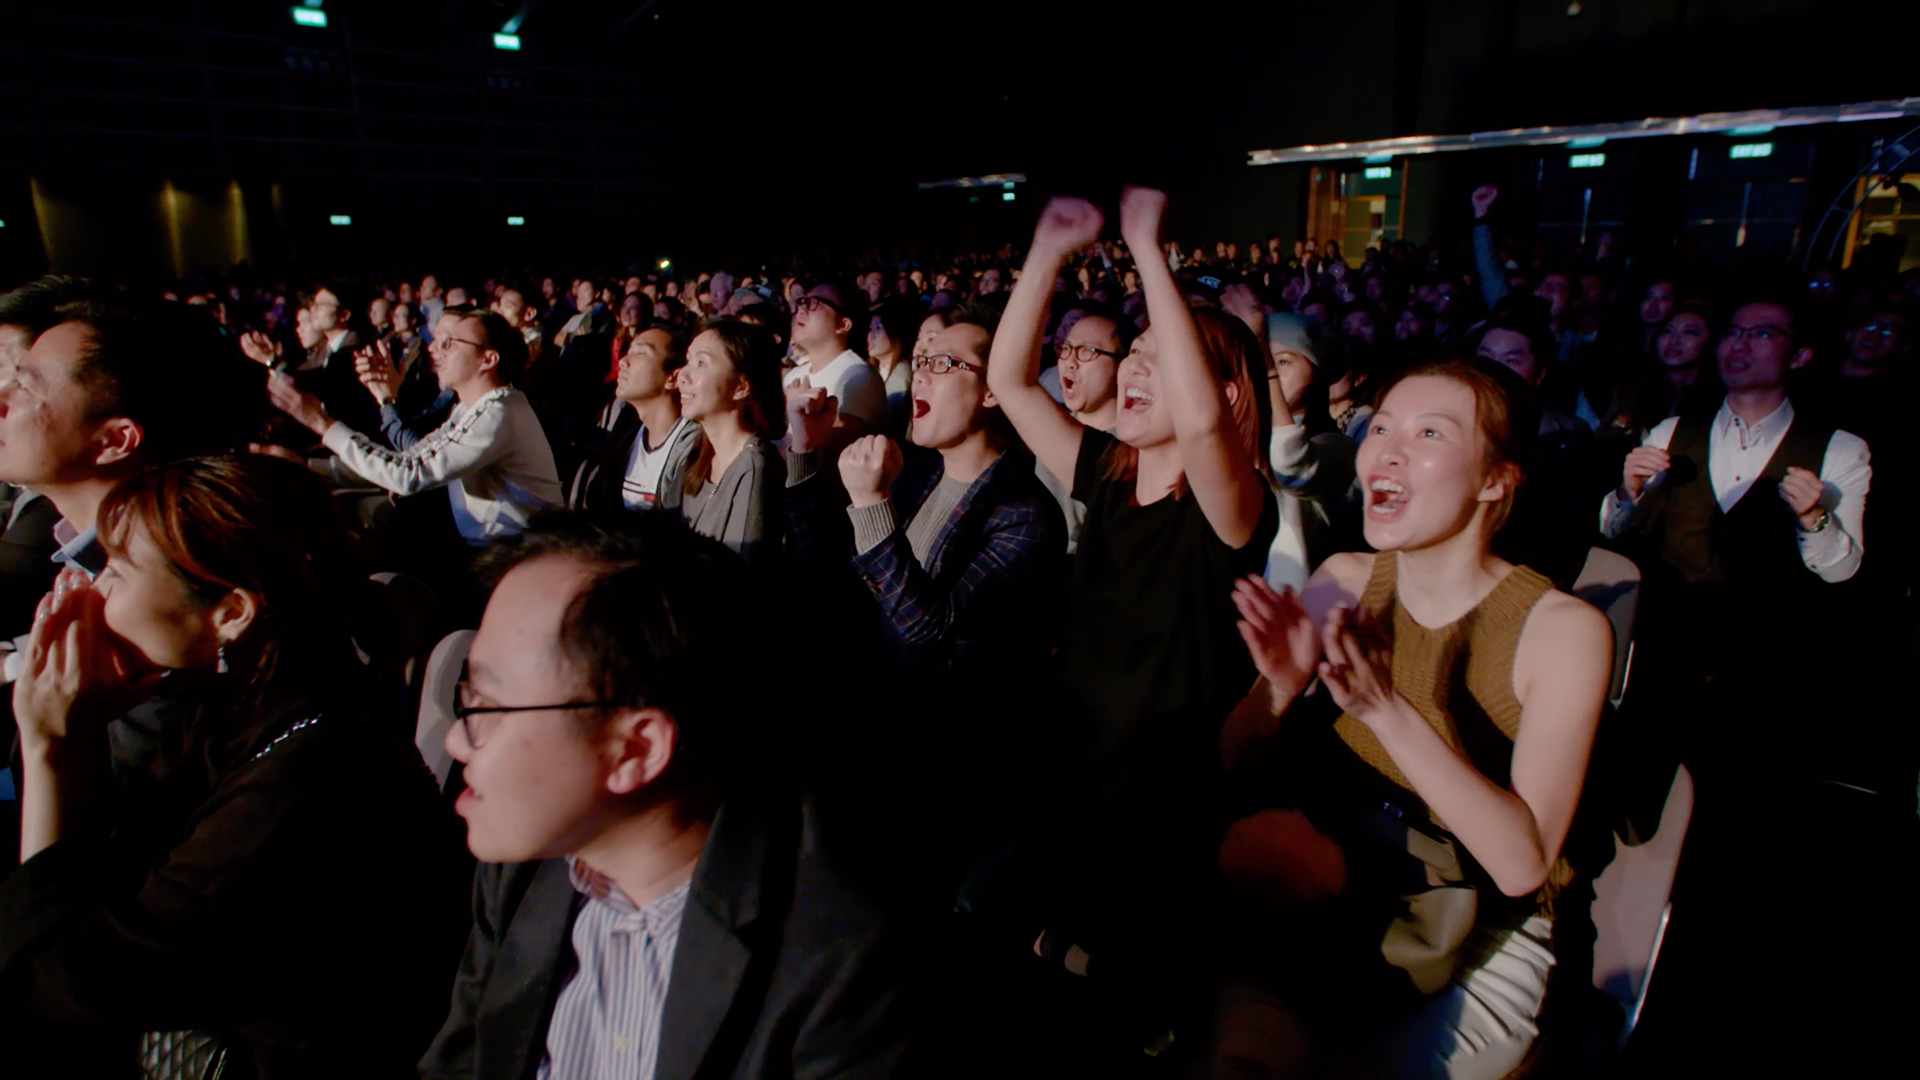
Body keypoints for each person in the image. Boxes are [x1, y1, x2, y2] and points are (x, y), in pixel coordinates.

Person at [0, 455, 467, 1078]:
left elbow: (64, 982)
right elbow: (99, 888)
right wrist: (73, 734)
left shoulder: (313, 779)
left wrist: (50, 745)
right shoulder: (247, 708)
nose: (92, 591)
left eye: (116, 569)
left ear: (231, 612)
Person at [1211, 356, 1612, 1079]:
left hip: (1469, 923)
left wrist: (1386, 711)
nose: (1388, 451)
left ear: (1497, 480)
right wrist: (1278, 687)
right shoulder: (1345, 577)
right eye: (1381, 427)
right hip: (1333, 878)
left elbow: (1521, 865)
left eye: (1430, 433)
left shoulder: (1562, 630)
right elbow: (1236, 756)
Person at [418, 513, 914, 1079]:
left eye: (487, 706)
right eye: (467, 699)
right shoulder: (522, 874)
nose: (455, 740)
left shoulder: (839, 956)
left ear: (635, 749)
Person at [983, 191, 1279, 1036]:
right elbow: (1009, 382)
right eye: (1135, 354)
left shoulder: (1231, 508)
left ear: (1226, 391)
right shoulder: (1106, 476)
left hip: (1160, 809)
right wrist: (1046, 254)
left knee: (1131, 1009)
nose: (1137, 370)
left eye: (1160, 357)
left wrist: (1151, 253)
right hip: (1077, 774)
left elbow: (1203, 425)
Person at [1600, 298, 1870, 777]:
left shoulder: (1838, 449)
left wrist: (1813, 518)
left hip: (1765, 662)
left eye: (1762, 334)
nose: (1739, 345)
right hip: (1667, 649)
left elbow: (1841, 569)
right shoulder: (1672, 432)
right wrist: (1627, 492)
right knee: (1642, 775)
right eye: (1732, 332)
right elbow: (1612, 529)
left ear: (1800, 355)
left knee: (1738, 784)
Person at [0, 278, 257, 645]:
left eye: (24, 387)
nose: (2, 401)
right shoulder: (102, 551)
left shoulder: (165, 589)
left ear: (114, 441)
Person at [267, 309, 562, 551]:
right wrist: (310, 464)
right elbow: (410, 458)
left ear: (488, 359)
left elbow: (408, 475)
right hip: (494, 547)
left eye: (450, 343)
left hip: (519, 554)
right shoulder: (471, 408)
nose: (437, 349)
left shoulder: (497, 412)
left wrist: (321, 423)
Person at [674, 319, 788, 564]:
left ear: (741, 386)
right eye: (688, 361)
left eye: (701, 363)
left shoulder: (754, 466)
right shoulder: (696, 453)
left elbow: (741, 573)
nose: (682, 375)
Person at [571, 324, 702, 515]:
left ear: (673, 378)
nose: (623, 362)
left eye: (641, 353)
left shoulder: (695, 449)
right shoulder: (626, 433)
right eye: (628, 351)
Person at [783, 282, 886, 439]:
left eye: (814, 303)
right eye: (802, 302)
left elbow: (835, 446)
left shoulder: (857, 376)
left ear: (842, 325)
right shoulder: (794, 375)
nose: (801, 310)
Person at [868, 297, 921, 439]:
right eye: (870, 328)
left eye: (878, 327)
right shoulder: (874, 370)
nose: (871, 336)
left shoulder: (900, 373)